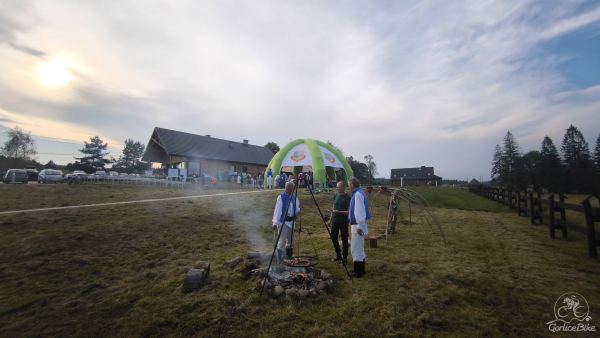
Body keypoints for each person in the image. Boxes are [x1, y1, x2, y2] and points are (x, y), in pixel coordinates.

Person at [272, 181, 300, 262]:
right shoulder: (281, 197)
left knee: (290, 240)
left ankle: (289, 257)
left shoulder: (295, 198)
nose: (288, 189)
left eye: (290, 188)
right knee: (281, 241)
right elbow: (278, 210)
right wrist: (275, 222)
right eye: (287, 187)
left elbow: (297, 209)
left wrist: (296, 214)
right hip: (283, 222)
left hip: (291, 222)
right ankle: (279, 259)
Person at [348, 177, 370, 277]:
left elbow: (359, 212)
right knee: (359, 248)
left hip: (357, 226)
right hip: (359, 225)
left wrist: (359, 227)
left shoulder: (357, 194)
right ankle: (361, 270)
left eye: (349, 185)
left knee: (355, 248)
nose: (349, 187)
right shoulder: (360, 192)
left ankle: (358, 272)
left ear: (352, 185)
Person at [331, 181, 351, 263]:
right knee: (333, 237)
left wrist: (338, 212)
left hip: (344, 221)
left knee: (344, 239)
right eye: (336, 187)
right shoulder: (335, 195)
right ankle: (338, 254)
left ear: (343, 187)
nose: (337, 188)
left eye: (338, 187)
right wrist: (330, 219)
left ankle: (345, 257)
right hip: (335, 220)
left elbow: (349, 212)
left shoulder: (347, 198)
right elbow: (333, 206)